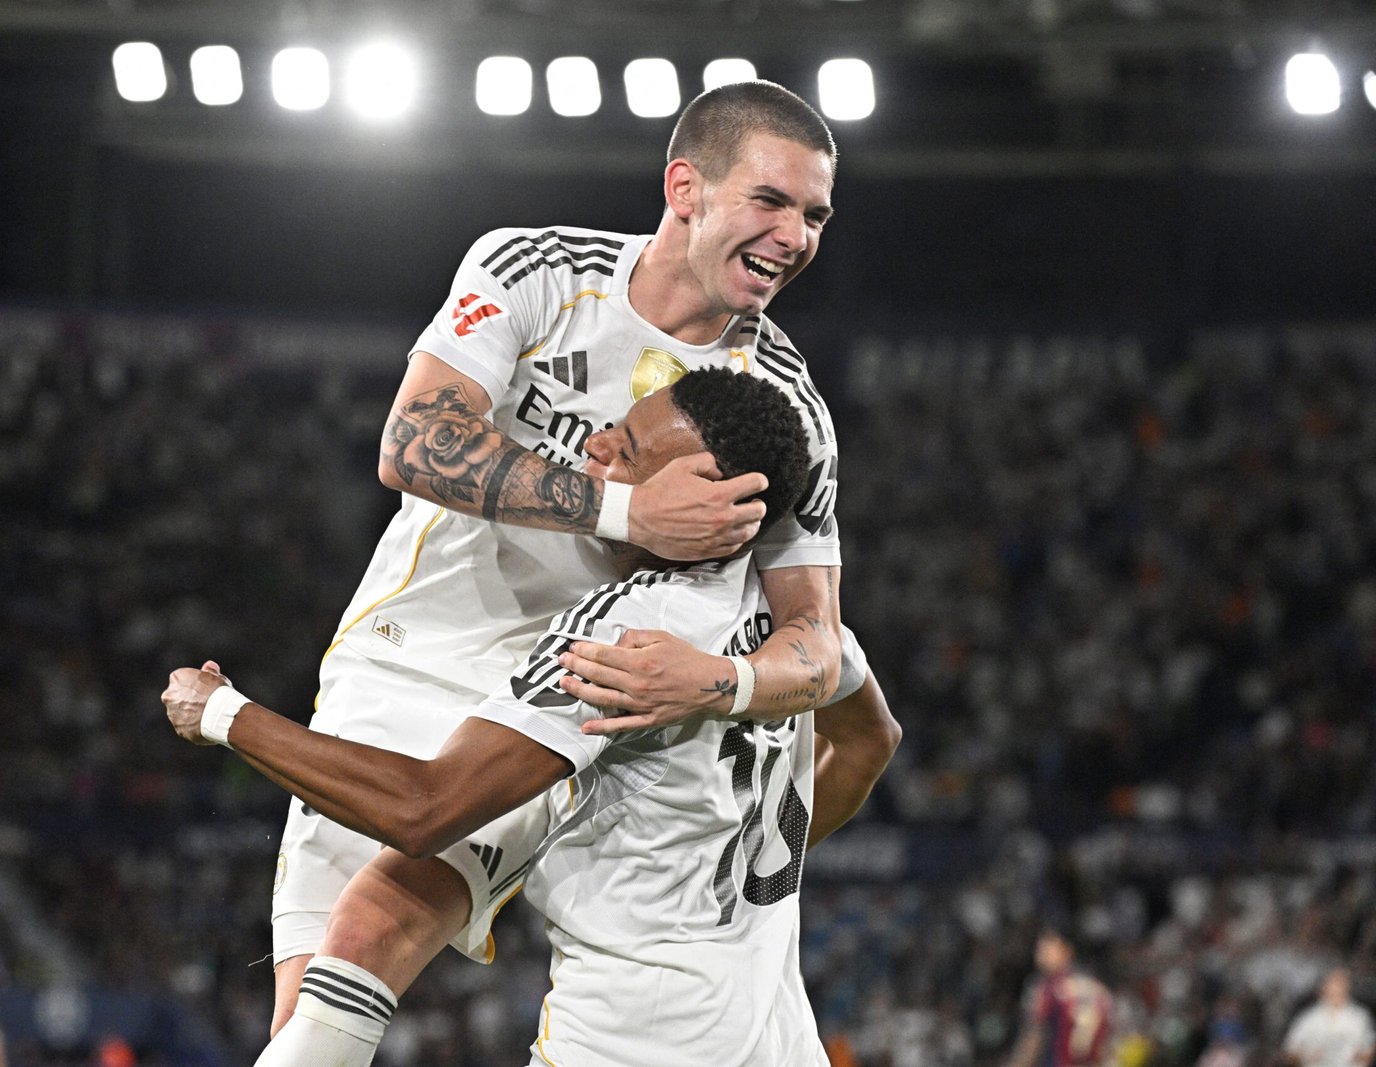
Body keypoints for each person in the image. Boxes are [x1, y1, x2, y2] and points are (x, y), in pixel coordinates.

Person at [261, 76, 877, 1043]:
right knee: (306, 1005)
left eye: (815, 215)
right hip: (407, 654)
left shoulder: (785, 407)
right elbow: (412, 443)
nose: (795, 236)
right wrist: (631, 509)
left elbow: (817, 639)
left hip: (562, 704)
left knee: (373, 930)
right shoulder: (537, 271)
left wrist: (723, 682)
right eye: (771, 201)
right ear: (685, 188)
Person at [165, 368, 898, 1066]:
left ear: (705, 494)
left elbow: (423, 809)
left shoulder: (623, 634)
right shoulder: (798, 636)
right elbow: (872, 739)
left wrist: (224, 714)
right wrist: (744, 859)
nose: (593, 447)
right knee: (377, 913)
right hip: (781, 1043)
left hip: (626, 1047)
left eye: (626, 451)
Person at [1008, 928, 1115, 1067]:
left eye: (1047, 948)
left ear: (1067, 951)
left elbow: (1034, 1039)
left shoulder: (1050, 987)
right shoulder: (1098, 988)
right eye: (1039, 948)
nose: (1040, 954)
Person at [1282, 967, 1376, 1067]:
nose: (1337, 989)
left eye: (1341, 984)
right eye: (1333, 984)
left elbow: (1370, 1048)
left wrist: (1360, 1057)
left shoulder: (1360, 1017)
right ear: (1324, 987)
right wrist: (1304, 1057)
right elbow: (1290, 1052)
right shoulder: (1308, 1018)